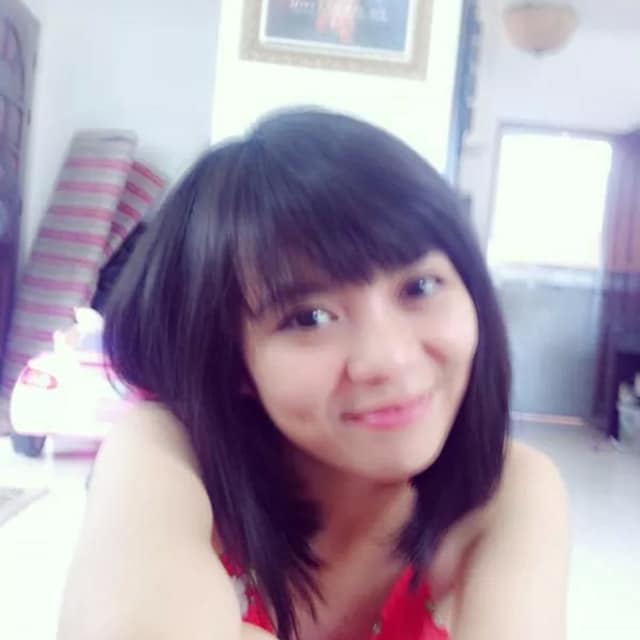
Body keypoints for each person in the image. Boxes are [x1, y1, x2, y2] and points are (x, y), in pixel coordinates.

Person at [57, 110, 569, 640]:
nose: (390, 359)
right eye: (310, 318)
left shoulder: (507, 490)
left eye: (419, 287)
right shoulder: (164, 448)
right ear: (232, 359)